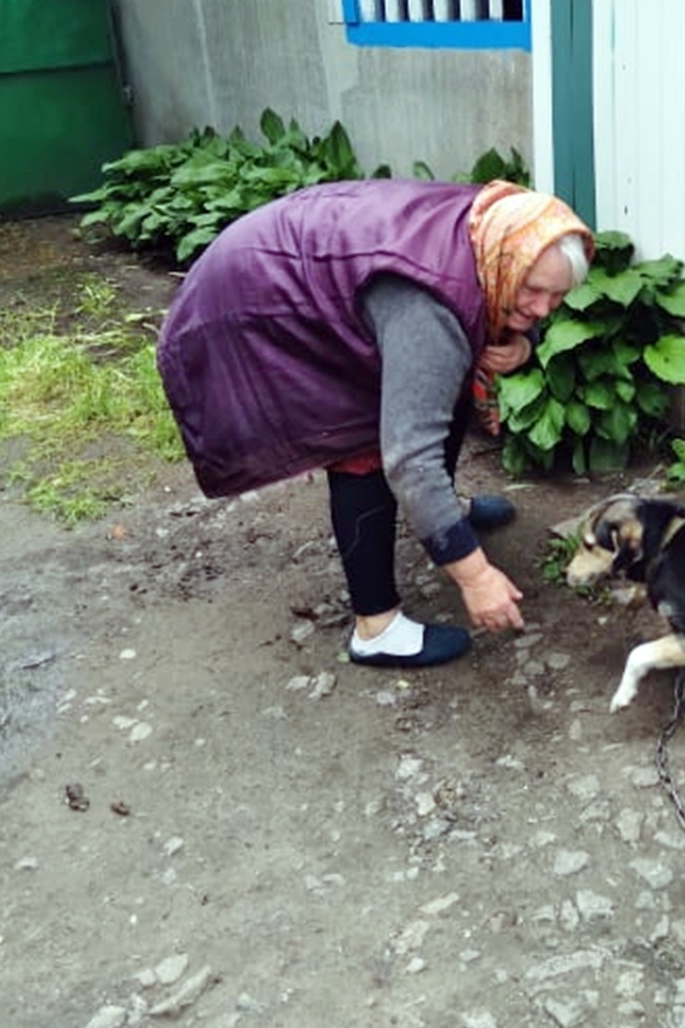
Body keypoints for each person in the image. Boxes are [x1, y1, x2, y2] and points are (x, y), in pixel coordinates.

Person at [157, 178, 593, 668]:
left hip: (318, 266)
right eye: (532, 291)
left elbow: (447, 365)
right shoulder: (431, 303)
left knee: (431, 389)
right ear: (506, 263)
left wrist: (523, 344)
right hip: (254, 300)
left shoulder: (496, 229)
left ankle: (442, 513)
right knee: (360, 436)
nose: (542, 309)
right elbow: (410, 460)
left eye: (557, 297)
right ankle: (377, 627)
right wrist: (476, 576)